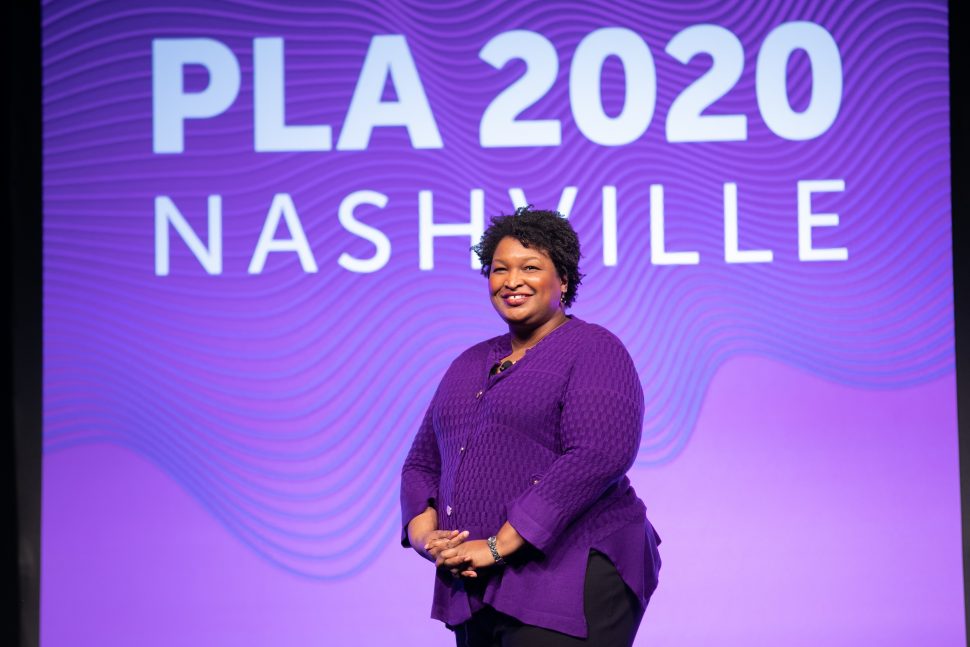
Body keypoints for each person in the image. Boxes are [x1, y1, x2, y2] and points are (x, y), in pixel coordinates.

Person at [401, 207, 661, 646]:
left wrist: (501, 543)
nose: (512, 280)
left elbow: (599, 454)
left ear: (563, 281)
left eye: (530, 267)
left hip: (571, 572)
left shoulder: (594, 348)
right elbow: (423, 463)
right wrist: (428, 537)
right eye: (500, 269)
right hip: (475, 585)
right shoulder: (467, 362)